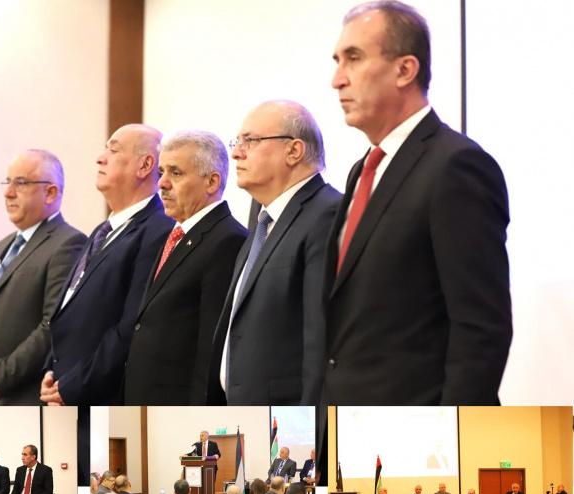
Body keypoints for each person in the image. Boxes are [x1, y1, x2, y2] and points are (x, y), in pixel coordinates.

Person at [322, 0, 512, 405]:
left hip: (419, 429)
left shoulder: (457, 166)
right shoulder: (362, 171)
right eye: (338, 61)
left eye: (354, 58)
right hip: (347, 422)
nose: (337, 79)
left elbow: (480, 330)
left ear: (405, 70)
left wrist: (447, 432)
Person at [210, 99, 342, 405]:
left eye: (251, 140)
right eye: (237, 142)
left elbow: (320, 339)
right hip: (243, 414)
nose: (236, 153)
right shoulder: (262, 223)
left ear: (294, 151)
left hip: (290, 420)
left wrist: (309, 426)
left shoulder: (327, 214)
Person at [41, 123, 174, 407]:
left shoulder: (158, 230)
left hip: (103, 401)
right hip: (65, 390)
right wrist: (51, 371)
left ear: (144, 165)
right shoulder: (103, 230)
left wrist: (74, 386)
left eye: (113, 150)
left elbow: (129, 328)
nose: (100, 159)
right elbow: (70, 309)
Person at [124, 130, 247, 403]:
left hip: (179, 408)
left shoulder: (228, 240)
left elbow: (210, 348)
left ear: (211, 181)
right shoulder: (174, 234)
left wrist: (196, 417)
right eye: (162, 172)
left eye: (176, 173)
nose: (162, 183)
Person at [0, 149, 86, 405]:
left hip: (22, 398)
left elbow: (53, 326)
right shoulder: (1, 247)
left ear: (50, 193)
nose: (8, 192)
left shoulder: (68, 244)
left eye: (21, 183)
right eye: (7, 182)